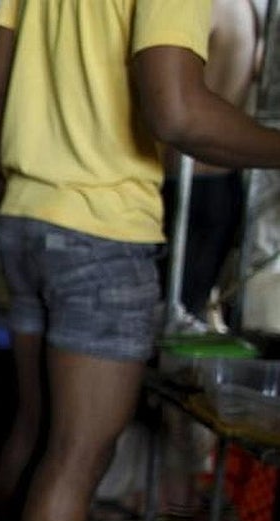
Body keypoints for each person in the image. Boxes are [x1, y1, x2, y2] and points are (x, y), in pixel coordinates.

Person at [0, 0, 280, 521]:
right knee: (77, 453)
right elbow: (178, 112)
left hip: (26, 213)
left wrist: (27, 184)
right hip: (102, 231)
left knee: (36, 427)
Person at [161, 0, 262, 330]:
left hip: (185, 180)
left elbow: (167, 85)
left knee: (162, 314)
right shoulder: (248, 11)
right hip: (223, 182)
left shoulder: (204, 7)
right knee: (186, 310)